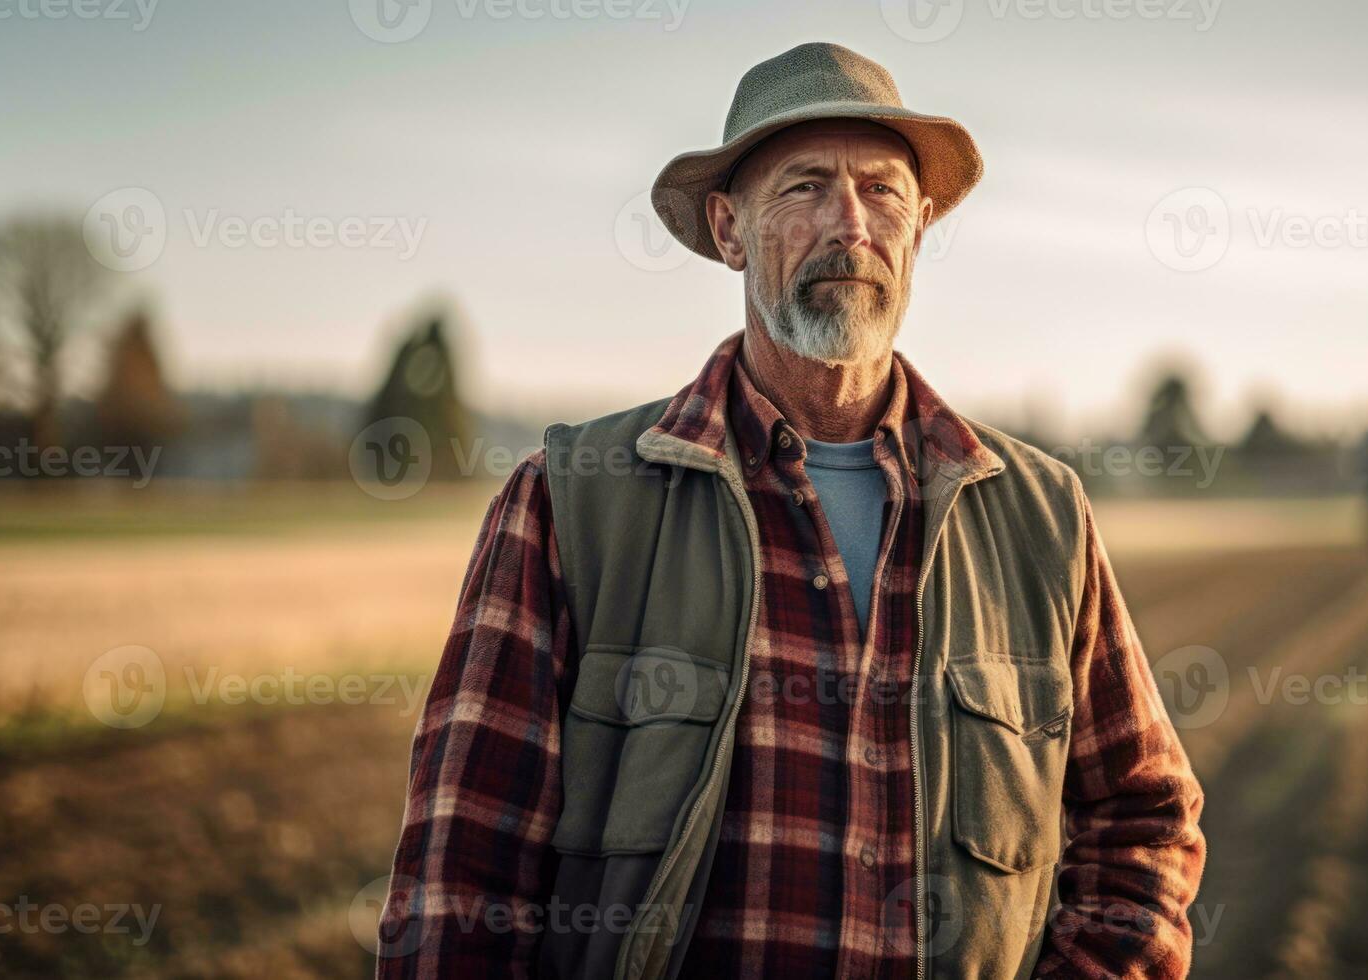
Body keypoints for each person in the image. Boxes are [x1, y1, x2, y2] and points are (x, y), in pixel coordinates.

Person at [379, 41, 1205, 980]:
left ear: (920, 226)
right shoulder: (571, 500)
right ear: (730, 230)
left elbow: (1145, 822)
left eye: (882, 191)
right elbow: (460, 877)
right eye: (805, 187)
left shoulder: (1037, 514)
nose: (849, 225)